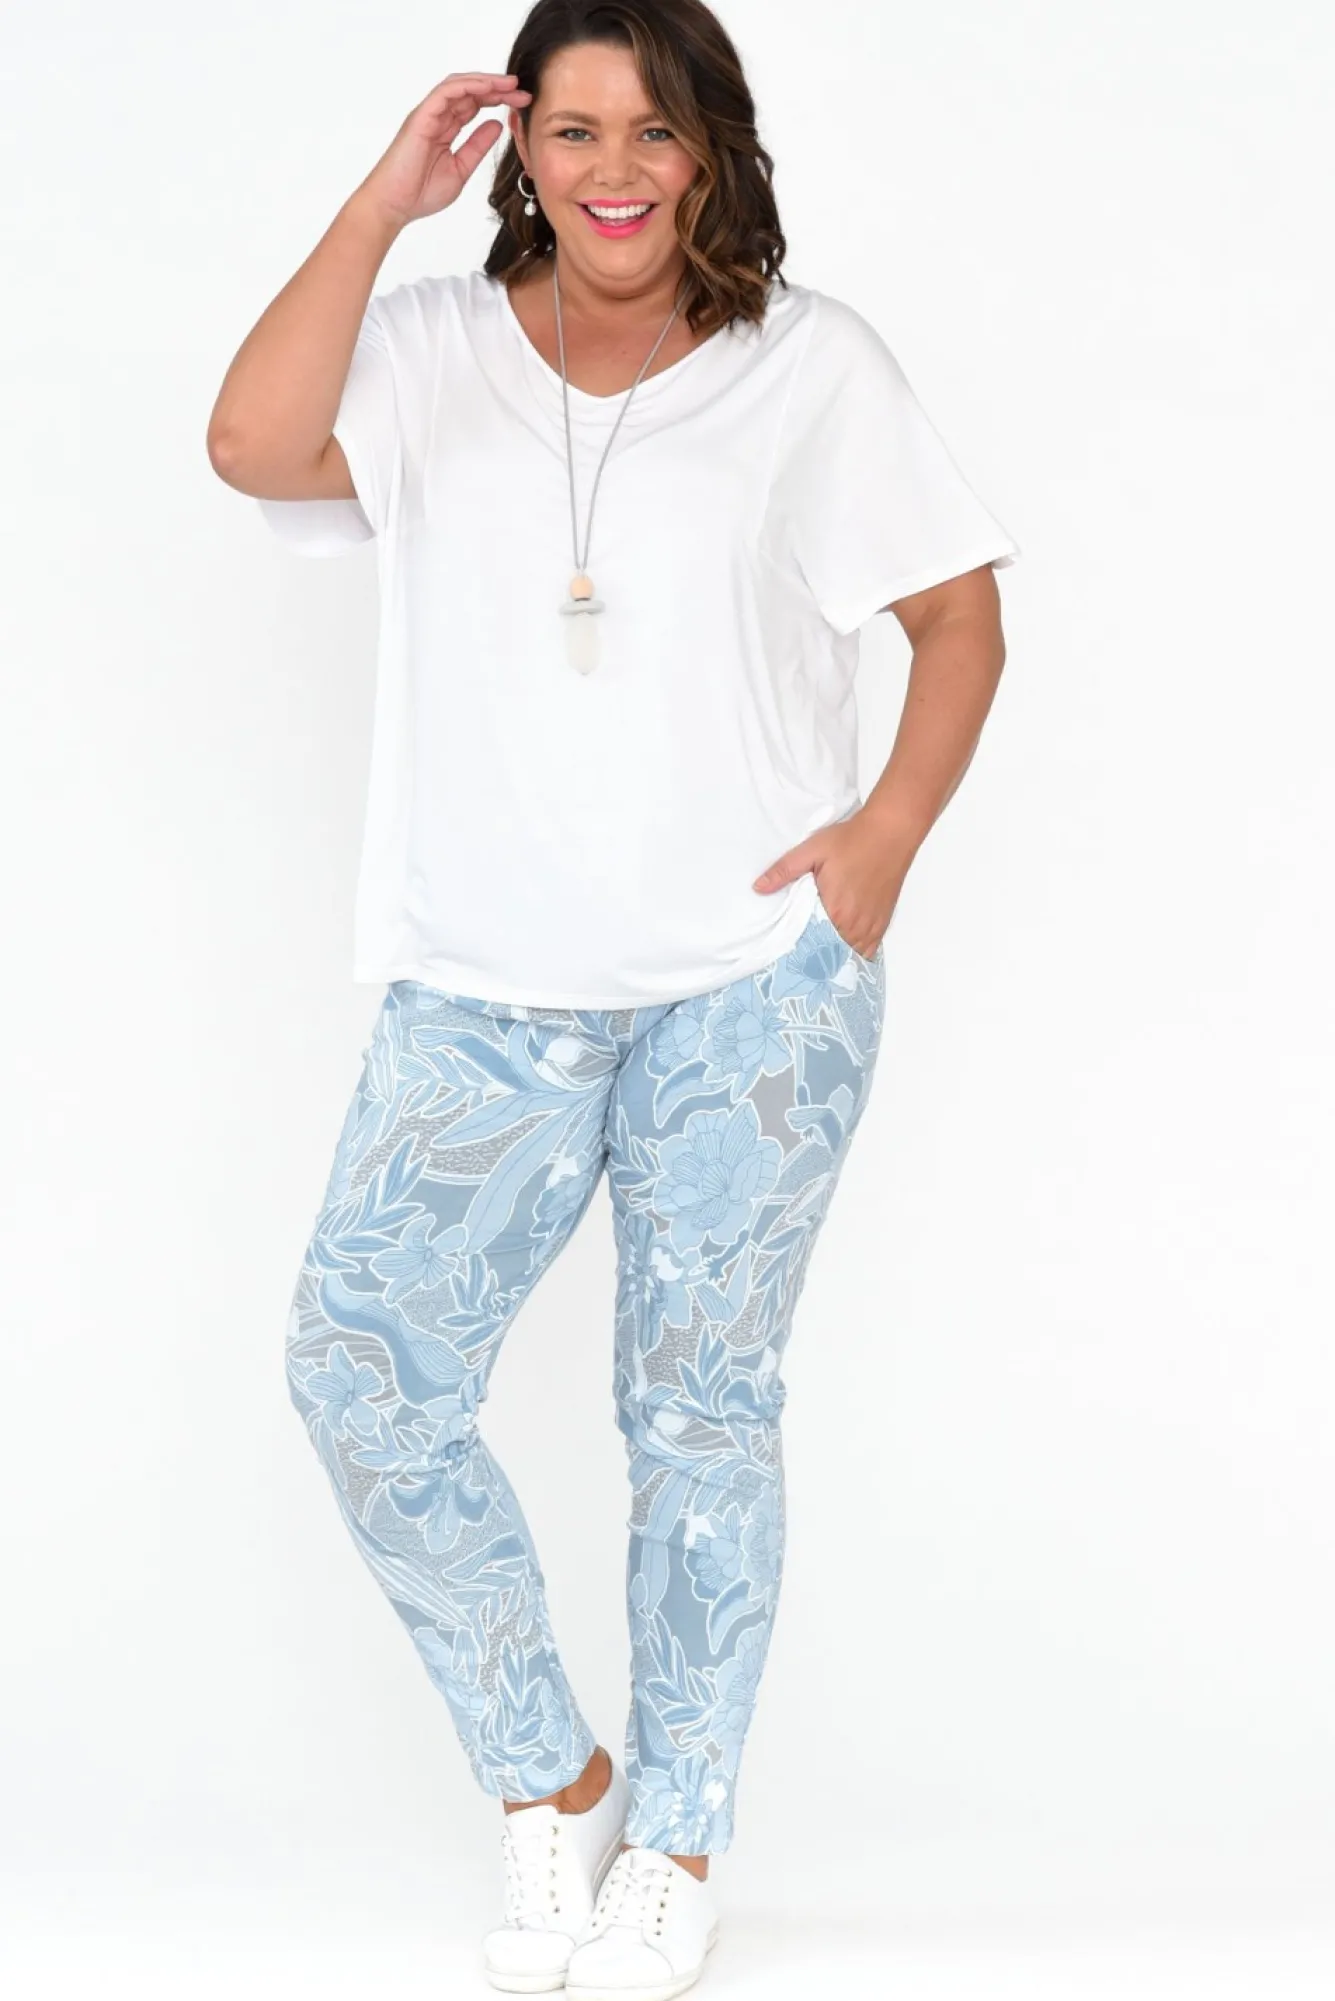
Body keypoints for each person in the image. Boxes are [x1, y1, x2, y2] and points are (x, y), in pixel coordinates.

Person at [206, 3, 1019, 1994]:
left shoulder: (810, 364)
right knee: (361, 1368)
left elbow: (955, 613)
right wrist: (380, 207)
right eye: (569, 130)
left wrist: (883, 840)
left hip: (746, 995)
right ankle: (551, 1776)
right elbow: (248, 447)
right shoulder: (426, 351)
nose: (614, 170)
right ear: (517, 153)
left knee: (698, 1414)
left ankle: (674, 1837)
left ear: (709, 146)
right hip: (482, 990)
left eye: (652, 130)